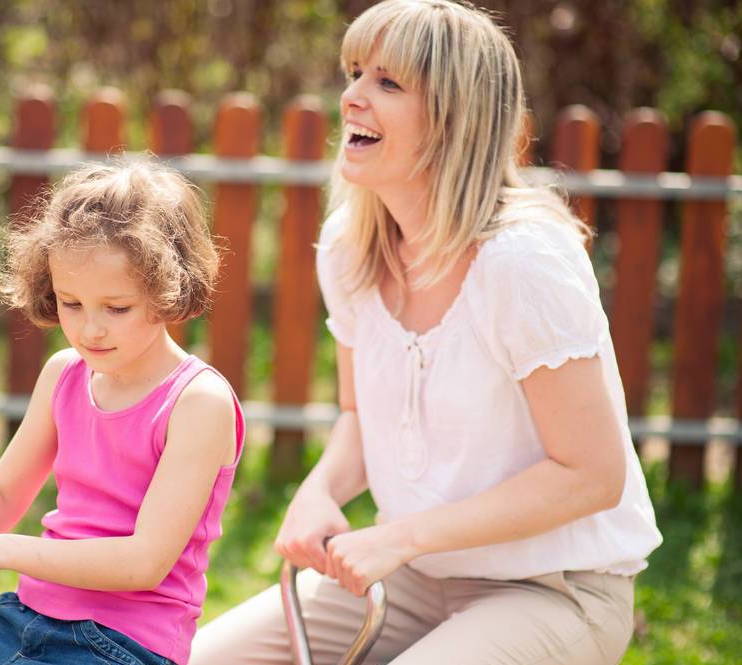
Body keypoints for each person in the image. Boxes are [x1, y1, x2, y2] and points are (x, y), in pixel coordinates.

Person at [190, 1, 661, 664]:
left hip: (553, 591)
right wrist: (319, 490)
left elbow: (590, 474)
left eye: (387, 83)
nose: (350, 97)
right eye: (354, 74)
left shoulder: (522, 261)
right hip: (414, 578)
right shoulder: (348, 247)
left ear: (454, 118)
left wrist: (402, 536)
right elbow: (359, 415)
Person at [0, 159, 244, 665]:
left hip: (120, 645)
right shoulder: (64, 373)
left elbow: (143, 563)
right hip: (23, 616)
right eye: (71, 302)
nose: (89, 329)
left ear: (170, 292)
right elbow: (4, 493)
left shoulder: (197, 402)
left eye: (116, 308)